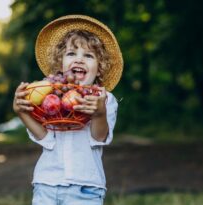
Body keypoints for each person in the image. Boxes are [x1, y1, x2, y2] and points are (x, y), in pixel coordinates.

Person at [13, 15, 123, 205]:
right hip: (46, 182)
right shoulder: (50, 96)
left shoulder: (103, 98)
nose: (79, 59)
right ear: (61, 63)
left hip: (86, 188)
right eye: (72, 54)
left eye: (88, 56)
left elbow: (99, 138)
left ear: (99, 69)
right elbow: (45, 138)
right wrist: (22, 112)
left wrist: (99, 113)